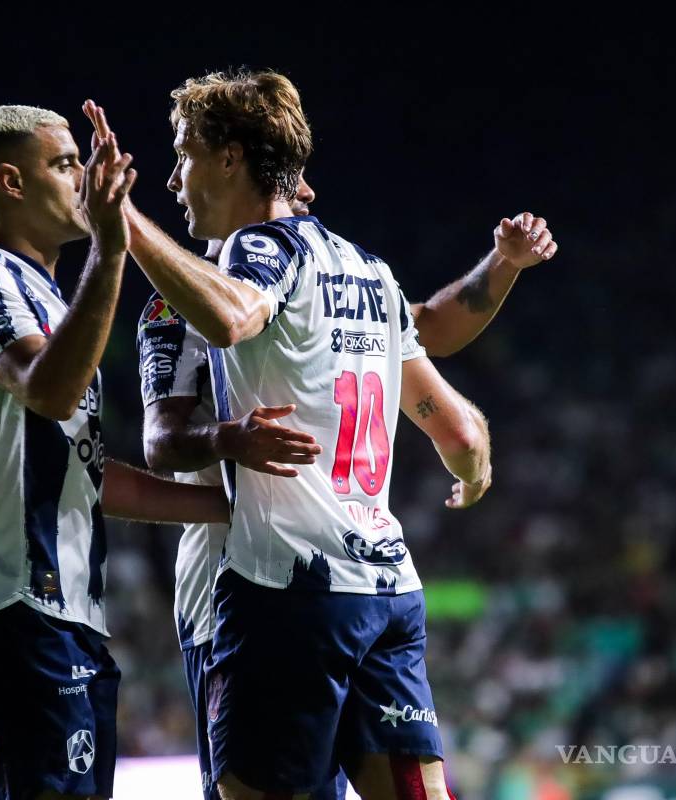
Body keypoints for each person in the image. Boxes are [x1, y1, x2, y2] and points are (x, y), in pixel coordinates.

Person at [85, 68, 511, 799]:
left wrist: (119, 221)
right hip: (386, 588)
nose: (174, 179)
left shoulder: (244, 260)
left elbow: (227, 325)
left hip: (279, 591)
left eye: (184, 155)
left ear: (230, 157)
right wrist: (472, 475)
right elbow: (464, 433)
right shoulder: (372, 274)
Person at [137, 162, 557, 800]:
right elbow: (454, 406)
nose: (305, 195)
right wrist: (501, 268)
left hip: (255, 591)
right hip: (362, 581)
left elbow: (162, 441)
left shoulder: (220, 294)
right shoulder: (358, 281)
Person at [0, 104, 228, 800]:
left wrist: (233, 506)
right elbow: (48, 390)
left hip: (68, 616)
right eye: (64, 164)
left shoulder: (57, 302)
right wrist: (113, 249)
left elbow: (85, 474)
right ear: (10, 181)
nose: (84, 178)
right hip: (5, 601)